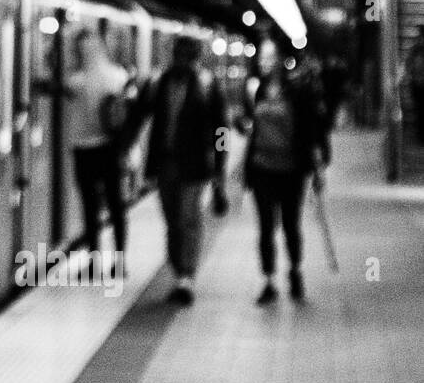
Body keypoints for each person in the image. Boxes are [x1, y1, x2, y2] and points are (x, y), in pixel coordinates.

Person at [142, 37, 228, 306]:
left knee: (188, 218)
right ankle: (178, 270)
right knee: (172, 222)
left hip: (195, 167)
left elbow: (221, 128)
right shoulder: (159, 83)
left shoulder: (207, 85)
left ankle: (186, 277)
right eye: (179, 56)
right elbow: (139, 115)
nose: (183, 62)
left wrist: (220, 163)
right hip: (166, 164)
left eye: (188, 58)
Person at [241, 40, 326, 304]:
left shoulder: (297, 91)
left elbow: (309, 129)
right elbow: (255, 127)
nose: (264, 62)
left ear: (280, 59)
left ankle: (295, 271)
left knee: (291, 225)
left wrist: (317, 167)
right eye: (262, 57)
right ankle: (268, 281)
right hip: (262, 168)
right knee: (266, 227)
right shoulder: (260, 90)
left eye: (269, 57)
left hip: (291, 170)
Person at [63, 29, 131, 274]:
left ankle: (93, 262)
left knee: (89, 207)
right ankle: (120, 261)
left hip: (84, 151)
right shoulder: (118, 76)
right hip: (111, 150)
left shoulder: (76, 81)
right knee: (116, 205)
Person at [407, 26, 424, 142]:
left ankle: (420, 133)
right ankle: (420, 133)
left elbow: (410, 64)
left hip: (417, 82)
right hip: (417, 83)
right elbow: (409, 64)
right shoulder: (415, 49)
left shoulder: (416, 49)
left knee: (419, 109)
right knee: (419, 109)